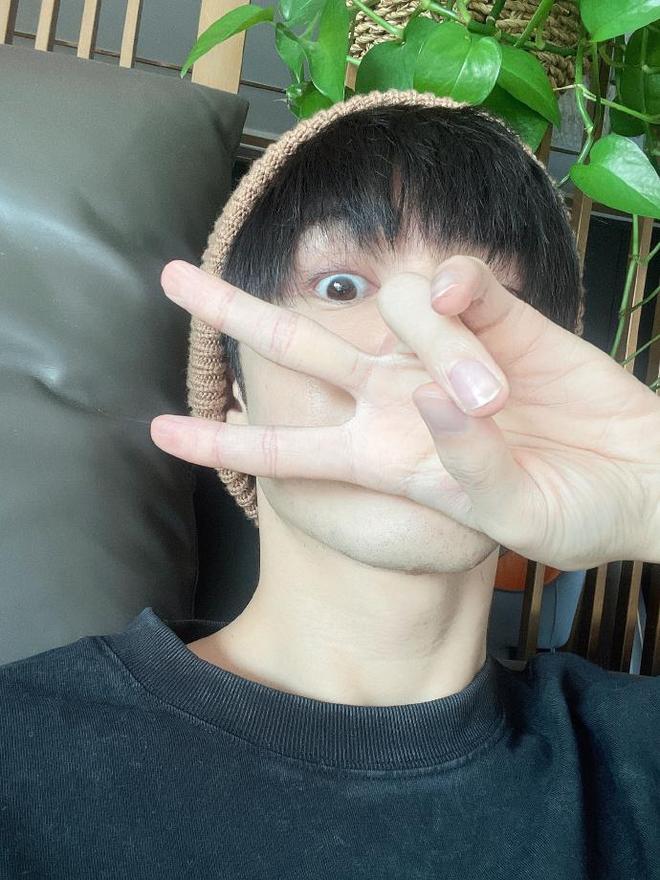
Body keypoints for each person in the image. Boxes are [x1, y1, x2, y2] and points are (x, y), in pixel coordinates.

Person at [1, 89, 658, 879]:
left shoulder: (636, 758)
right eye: (341, 287)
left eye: (492, 303)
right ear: (234, 399)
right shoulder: (20, 750)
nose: (421, 343)